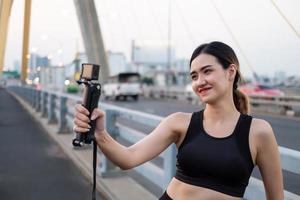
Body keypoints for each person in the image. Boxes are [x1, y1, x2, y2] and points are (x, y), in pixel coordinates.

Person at [73, 41, 283, 200]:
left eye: (207, 71)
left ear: (230, 72)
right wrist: (100, 133)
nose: (200, 82)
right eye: (193, 76)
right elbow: (129, 158)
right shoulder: (180, 122)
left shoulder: (258, 132)